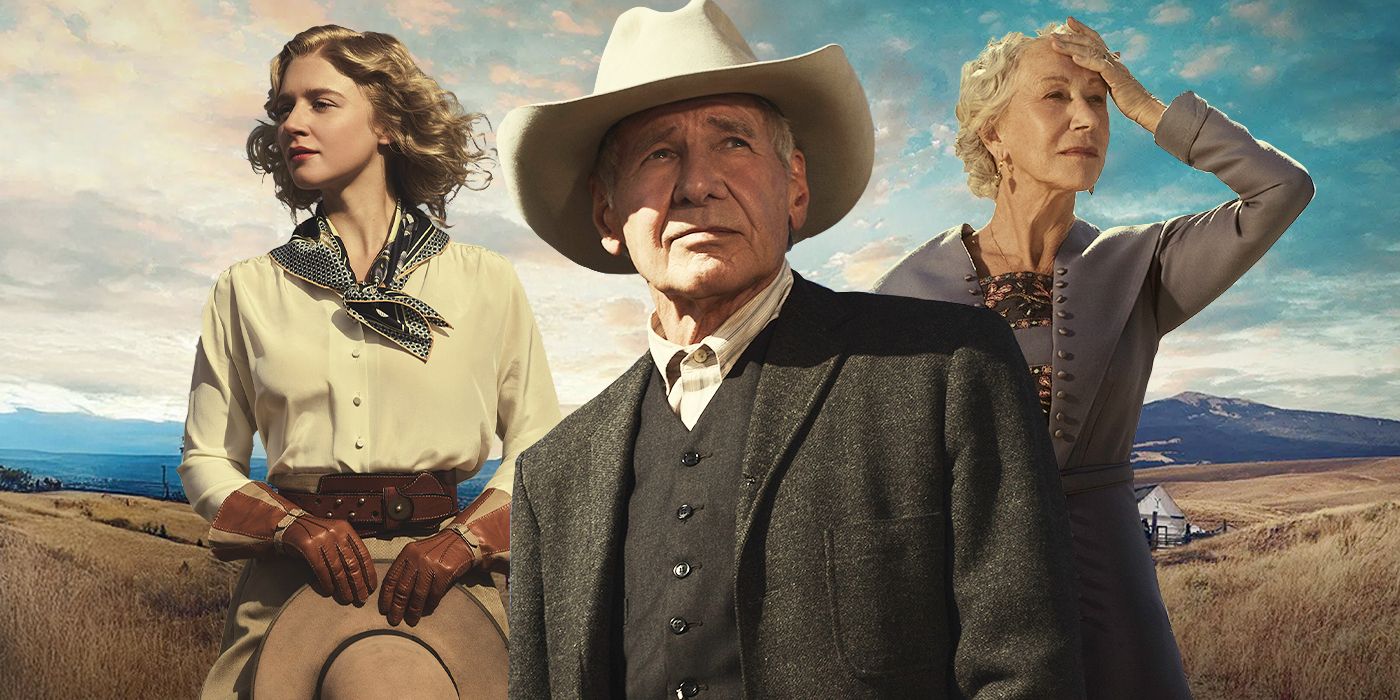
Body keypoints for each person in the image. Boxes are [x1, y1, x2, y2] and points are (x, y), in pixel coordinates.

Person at [497, 2, 1084, 698]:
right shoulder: (552, 476)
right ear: (607, 214)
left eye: (733, 143)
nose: (696, 183)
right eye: (659, 153)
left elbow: (1028, 673)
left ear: (795, 187)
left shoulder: (948, 371)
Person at [874, 18, 1314, 700]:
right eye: (1055, 96)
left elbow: (1281, 191)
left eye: (1098, 98)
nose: (1086, 118)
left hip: (1110, 583)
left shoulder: (1140, 263)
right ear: (994, 133)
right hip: (959, 595)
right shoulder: (906, 290)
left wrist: (1144, 104)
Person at [177, 25, 560, 699]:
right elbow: (207, 458)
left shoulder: (486, 282)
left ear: (386, 121)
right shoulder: (247, 289)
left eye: (319, 103)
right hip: (286, 593)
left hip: (451, 594)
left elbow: (538, 443)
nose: (292, 124)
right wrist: (293, 528)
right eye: (282, 109)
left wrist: (464, 544)